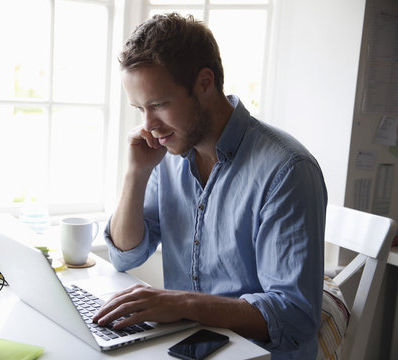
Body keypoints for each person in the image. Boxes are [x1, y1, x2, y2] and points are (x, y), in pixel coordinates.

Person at [92, 13, 327, 359]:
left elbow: (294, 317)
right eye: (140, 108)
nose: (149, 125)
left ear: (205, 83)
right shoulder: (168, 152)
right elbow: (125, 255)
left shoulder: (287, 170)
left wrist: (183, 303)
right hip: (189, 346)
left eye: (158, 105)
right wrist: (136, 174)